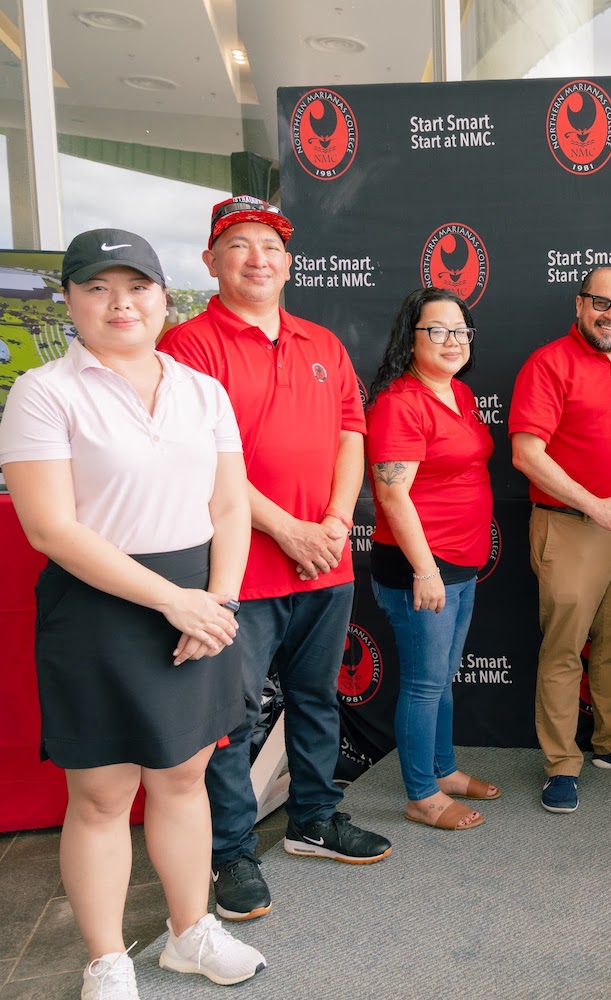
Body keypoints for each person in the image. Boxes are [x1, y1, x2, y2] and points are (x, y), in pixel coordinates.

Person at [0, 231, 266, 997]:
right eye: (97, 288)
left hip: (199, 600)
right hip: (100, 606)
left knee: (184, 778)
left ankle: (190, 932)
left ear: (164, 296)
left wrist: (216, 602)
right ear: (71, 299)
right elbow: (50, 529)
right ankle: (107, 958)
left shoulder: (201, 389)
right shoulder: (45, 391)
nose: (121, 304)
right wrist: (175, 601)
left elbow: (227, 504)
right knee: (104, 795)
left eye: (138, 286)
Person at [158, 196, 390, 925]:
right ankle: (229, 851)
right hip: (237, 569)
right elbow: (194, 459)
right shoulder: (187, 345)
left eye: (271, 245)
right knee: (230, 719)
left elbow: (353, 434)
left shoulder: (322, 342)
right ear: (210, 261)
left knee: (318, 700)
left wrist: (328, 521)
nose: (258, 258)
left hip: (324, 560)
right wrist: (285, 526)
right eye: (240, 245)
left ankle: (315, 819)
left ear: (290, 262)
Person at [509, 266, 611, 814]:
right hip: (570, 525)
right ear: (580, 305)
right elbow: (527, 455)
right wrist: (592, 504)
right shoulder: (548, 364)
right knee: (563, 649)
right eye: (602, 303)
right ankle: (561, 762)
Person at [365, 288, 499, 831]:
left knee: (442, 677)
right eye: (436, 330)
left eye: (460, 330)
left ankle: (442, 770)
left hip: (460, 564)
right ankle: (421, 792)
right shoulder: (401, 402)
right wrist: (426, 571)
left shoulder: (458, 395)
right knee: (424, 682)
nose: (452, 340)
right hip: (420, 567)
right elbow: (393, 495)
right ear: (410, 337)